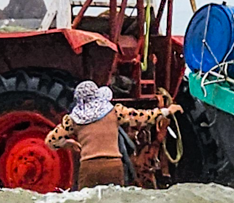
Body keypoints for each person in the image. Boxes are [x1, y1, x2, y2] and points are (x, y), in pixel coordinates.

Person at [45, 81, 181, 188]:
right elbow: (143, 117)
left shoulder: (73, 120)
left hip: (89, 168)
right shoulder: (116, 112)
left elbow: (51, 141)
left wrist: (67, 143)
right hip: (113, 166)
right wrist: (167, 111)